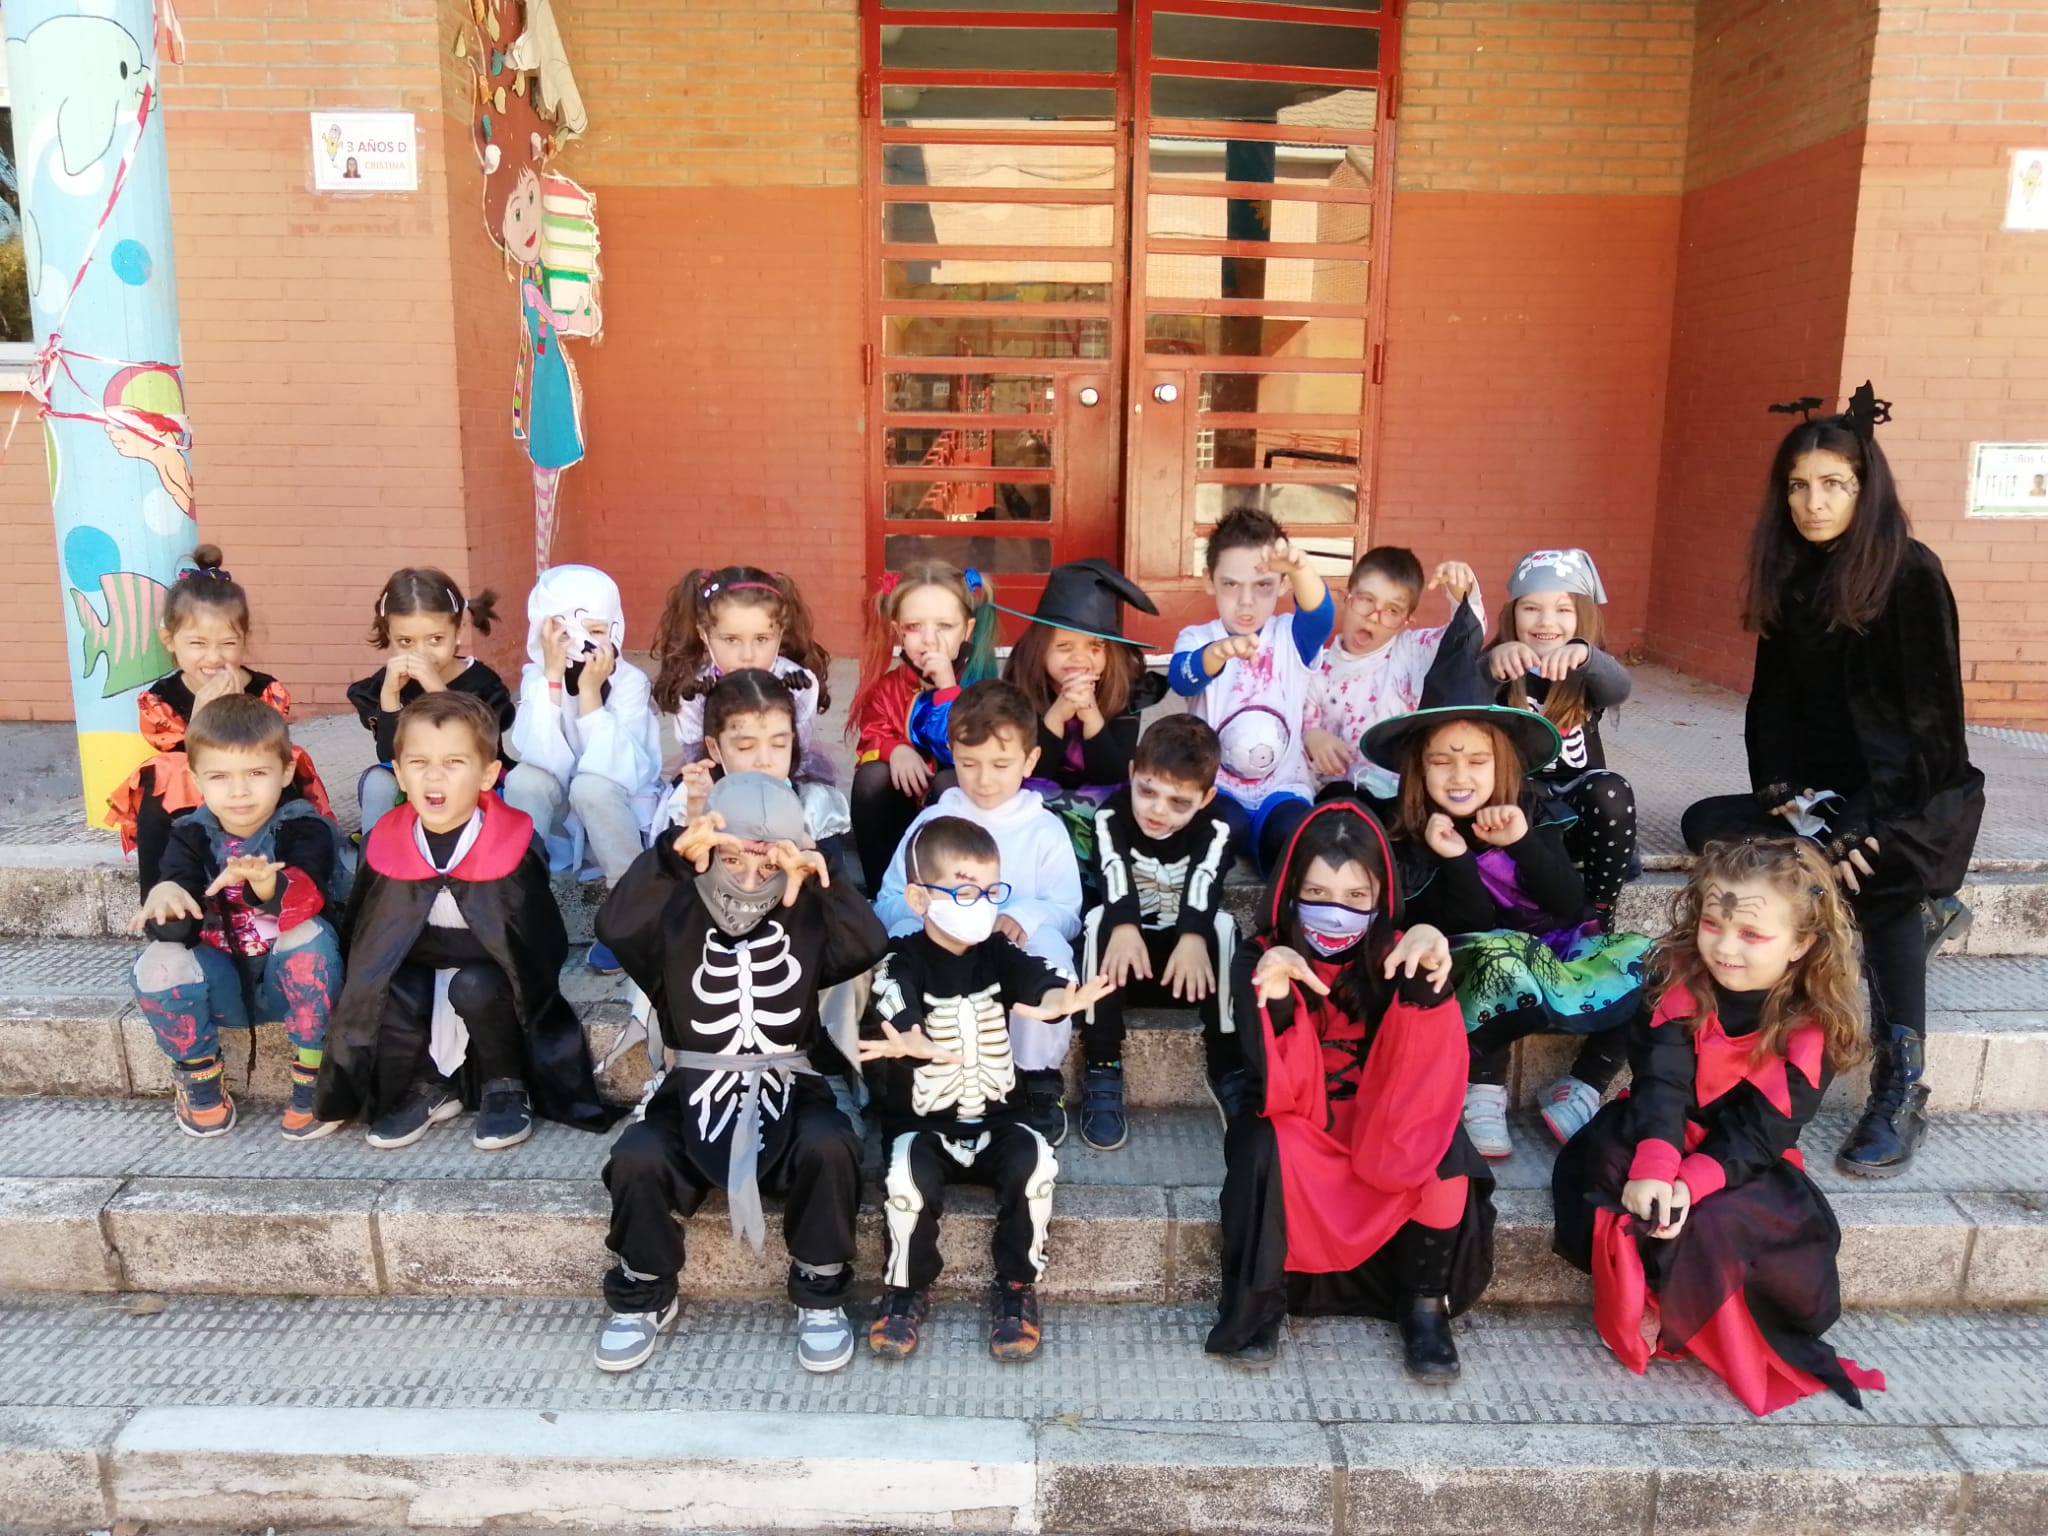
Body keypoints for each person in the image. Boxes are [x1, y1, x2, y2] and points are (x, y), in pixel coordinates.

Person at [1680, 385, 1984, 1178]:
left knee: (1876, 874)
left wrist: (1863, 824)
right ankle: (1908, 902)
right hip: (1823, 798)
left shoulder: (1910, 574)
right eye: (1799, 486)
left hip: (1911, 793)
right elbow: (1773, 702)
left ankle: (1901, 1083)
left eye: (1833, 484)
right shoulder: (1791, 572)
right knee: (1709, 824)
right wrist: (1780, 786)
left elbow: (1931, 730)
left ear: (1864, 489)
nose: (1813, 503)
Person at [1551, 837, 1886, 1416]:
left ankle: (1680, 1305)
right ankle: (1637, 1291)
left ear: (1801, 943)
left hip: (1741, 1153)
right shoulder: (1677, 980)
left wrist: (1690, 1183)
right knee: (1611, 1170)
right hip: (1659, 1123)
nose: (1725, 948)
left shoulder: (1812, 1026)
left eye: (1752, 934)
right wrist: (1658, 1166)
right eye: (1713, 924)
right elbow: (1662, 1082)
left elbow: (1763, 1131)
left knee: (1716, 1219)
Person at [590, 774, 888, 1376]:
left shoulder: (805, 913)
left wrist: (824, 877)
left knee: (831, 1145)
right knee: (638, 1157)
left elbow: (868, 944)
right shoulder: (674, 912)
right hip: (691, 1094)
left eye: (767, 865)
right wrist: (669, 858)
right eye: (731, 860)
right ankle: (644, 1286)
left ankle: (820, 1286)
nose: (750, 881)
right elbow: (615, 928)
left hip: (788, 1091)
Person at [1205, 801, 1494, 1380]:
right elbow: (1278, 1083)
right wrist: (1277, 992)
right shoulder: (1258, 955)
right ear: (1290, 891)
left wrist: (1428, 976)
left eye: (1355, 897)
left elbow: (1426, 1069)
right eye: (1316, 893)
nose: (1335, 911)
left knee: (1443, 1150)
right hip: (1302, 1114)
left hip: (1382, 1110)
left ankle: (1424, 1305)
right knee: (1264, 1145)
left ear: (1380, 897)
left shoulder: (1398, 950)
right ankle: (1264, 1301)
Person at [1363, 598, 1651, 1157]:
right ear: (1419, 767)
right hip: (1477, 964)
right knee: (1494, 953)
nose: (1460, 775)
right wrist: (1454, 858)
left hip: (1551, 952)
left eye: (1477, 761)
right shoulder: (1409, 832)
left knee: (1655, 963)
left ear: (1503, 765)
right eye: (1442, 761)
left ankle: (1584, 1084)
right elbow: (1465, 922)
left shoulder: (1531, 810)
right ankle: (1483, 1088)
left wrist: (1522, 842)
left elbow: (1569, 903)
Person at [860, 816, 1111, 1363]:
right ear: (920, 899)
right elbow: (892, 995)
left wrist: (1060, 1001)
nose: (981, 905)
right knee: (906, 1180)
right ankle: (905, 1287)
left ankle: (1017, 1286)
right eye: (966, 891)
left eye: (992, 892)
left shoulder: (998, 953)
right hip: (923, 1125)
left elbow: (1037, 980)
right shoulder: (903, 958)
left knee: (1036, 1165)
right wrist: (909, 1035)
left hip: (1000, 1119)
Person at [315, 691, 613, 1151]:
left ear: (488, 774)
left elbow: (534, 943)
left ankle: (505, 1084)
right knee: (386, 984)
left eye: (453, 762)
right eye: (419, 763)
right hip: (418, 966)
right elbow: (368, 937)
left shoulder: (513, 841)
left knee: (474, 985)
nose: (434, 776)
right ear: (399, 774)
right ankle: (429, 1085)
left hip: (488, 976)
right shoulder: (383, 843)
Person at [127, 694, 349, 1141]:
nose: (239, 791)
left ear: (285, 771)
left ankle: (315, 1075)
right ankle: (200, 1078)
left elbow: (310, 898)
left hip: (292, 986)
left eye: (256, 773)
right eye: (220, 777)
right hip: (224, 986)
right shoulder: (189, 834)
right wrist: (166, 896)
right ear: (196, 780)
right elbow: (179, 928)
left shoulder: (305, 828)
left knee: (308, 933)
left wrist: (264, 884)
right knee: (159, 962)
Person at [875, 680, 1084, 1146]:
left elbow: (1067, 911)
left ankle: (1037, 1075)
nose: (984, 779)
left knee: (1050, 950)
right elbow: (889, 901)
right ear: (952, 754)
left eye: (1000, 764)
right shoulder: (931, 824)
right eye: (969, 764)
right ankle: (914, 1064)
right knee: (900, 944)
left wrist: (1024, 916)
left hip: (1008, 959)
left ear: (1030, 760)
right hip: (942, 960)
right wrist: (931, 913)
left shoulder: (1043, 829)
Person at [106, 545, 331, 892]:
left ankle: (287, 880)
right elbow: (184, 756)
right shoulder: (162, 698)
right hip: (197, 786)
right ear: (170, 640)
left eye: (227, 643)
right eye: (198, 643)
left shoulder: (264, 690)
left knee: (282, 766)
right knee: (162, 775)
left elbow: (267, 745)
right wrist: (200, 715)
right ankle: (162, 892)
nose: (213, 657)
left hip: (251, 782)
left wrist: (240, 708)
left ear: (244, 640)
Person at [1079, 713, 1239, 1150]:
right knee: (1097, 922)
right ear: (1132, 773)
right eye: (1147, 791)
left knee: (1224, 926)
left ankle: (1228, 1064)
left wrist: (1193, 937)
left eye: (1178, 802)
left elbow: (1207, 879)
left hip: (1188, 968)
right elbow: (1113, 869)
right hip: (1124, 963)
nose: (1157, 810)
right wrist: (1125, 924)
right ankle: (1102, 1062)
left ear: (1206, 798)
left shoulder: (1218, 826)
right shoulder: (1111, 814)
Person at [501, 564, 664, 975]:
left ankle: (630, 912)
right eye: (563, 632)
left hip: (618, 813)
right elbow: (540, 755)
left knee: (591, 786)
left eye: (594, 629)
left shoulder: (629, 683)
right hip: (562, 817)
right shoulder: (537, 679)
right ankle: (519, 903)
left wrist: (590, 694)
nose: (580, 642)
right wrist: (553, 681)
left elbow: (616, 769)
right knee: (524, 779)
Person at [1169, 508, 1334, 876]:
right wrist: (1216, 654)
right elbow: (1181, 679)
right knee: (1221, 830)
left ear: (1284, 584)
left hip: (1283, 788)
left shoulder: (1290, 636)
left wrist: (1301, 569)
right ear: (1209, 581)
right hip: (1218, 788)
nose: (1246, 601)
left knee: (1295, 836)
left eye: (1263, 586)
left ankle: (1276, 902)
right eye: (1231, 585)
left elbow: (1321, 618)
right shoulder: (1198, 638)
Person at [1487, 548, 1637, 927]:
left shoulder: (1587, 669)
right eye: (1531, 608)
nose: (1546, 621)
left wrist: (1587, 656)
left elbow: (1620, 688)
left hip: (1580, 811)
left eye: (1563, 610)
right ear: (1512, 614)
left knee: (1612, 790)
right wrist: (1490, 666)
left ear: (1582, 616)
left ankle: (1600, 915)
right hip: (1522, 815)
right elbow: (1458, 698)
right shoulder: (1501, 664)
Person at [998, 558, 1169, 871]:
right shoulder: (1021, 688)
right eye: (1064, 646)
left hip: (1103, 806)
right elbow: (1029, 771)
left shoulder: (1125, 690)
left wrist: (1090, 715)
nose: (1080, 659)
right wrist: (1057, 715)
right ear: (1039, 648)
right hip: (1037, 805)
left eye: (1095, 646)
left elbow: (1113, 774)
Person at [847, 560, 1001, 890]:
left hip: (962, 822)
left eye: (945, 626)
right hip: (903, 809)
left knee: (950, 782)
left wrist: (947, 689)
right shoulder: (889, 687)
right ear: (897, 630)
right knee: (872, 776)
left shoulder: (984, 689)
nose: (929, 640)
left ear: (967, 630)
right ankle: (879, 890)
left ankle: (955, 890)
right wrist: (895, 749)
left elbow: (963, 747)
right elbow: (872, 733)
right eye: (914, 626)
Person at [1304, 546, 1482, 812]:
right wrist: (1312, 736)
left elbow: (1465, 640)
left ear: (1406, 621)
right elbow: (1300, 722)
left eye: (1392, 610)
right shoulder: (1317, 666)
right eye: (1366, 600)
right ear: (1345, 598)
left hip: (1399, 797)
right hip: (1333, 798)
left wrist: (1461, 593)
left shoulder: (1411, 651)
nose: (1374, 617)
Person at [347, 568, 513, 842]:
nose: (421, 653)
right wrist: (390, 698)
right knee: (378, 780)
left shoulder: (481, 682)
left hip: (475, 780)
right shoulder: (387, 683)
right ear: (389, 636)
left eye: (435, 639)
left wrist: (436, 689)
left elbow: (481, 746)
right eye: (405, 642)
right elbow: (390, 757)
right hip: (417, 781)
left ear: (458, 632)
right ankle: (375, 857)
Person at [650, 564, 835, 784]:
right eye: (731, 640)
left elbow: (795, 755)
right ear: (703, 634)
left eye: (762, 639)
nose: (748, 656)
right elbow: (697, 757)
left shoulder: (800, 684)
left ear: (780, 633)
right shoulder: (693, 689)